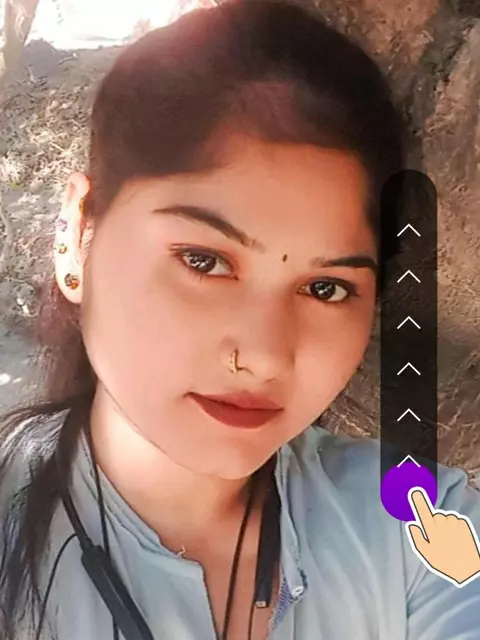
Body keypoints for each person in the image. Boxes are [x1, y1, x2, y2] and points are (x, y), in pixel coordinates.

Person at [1, 1, 479, 639]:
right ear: (75, 237)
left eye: (326, 287)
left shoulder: (421, 530)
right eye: (204, 260)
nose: (264, 356)